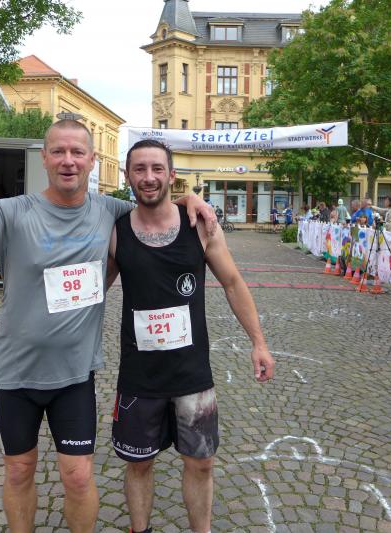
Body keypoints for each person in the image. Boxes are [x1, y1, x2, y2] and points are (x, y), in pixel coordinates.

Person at [0, 120, 214, 533]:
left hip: (75, 376)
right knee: (19, 470)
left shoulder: (110, 212)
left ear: (92, 161)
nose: (68, 161)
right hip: (17, 374)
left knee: (77, 476)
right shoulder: (13, 212)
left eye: (77, 152)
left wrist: (190, 197)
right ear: (44, 158)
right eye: (58, 151)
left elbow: (153, 199)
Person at [108, 139, 274, 533]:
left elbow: (233, 283)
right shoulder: (115, 232)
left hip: (192, 374)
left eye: (157, 168)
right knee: (138, 463)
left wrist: (259, 342)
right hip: (139, 376)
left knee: (201, 463)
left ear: (171, 175)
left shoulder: (199, 226)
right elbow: (93, 293)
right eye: (139, 169)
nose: (148, 177)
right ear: (127, 175)